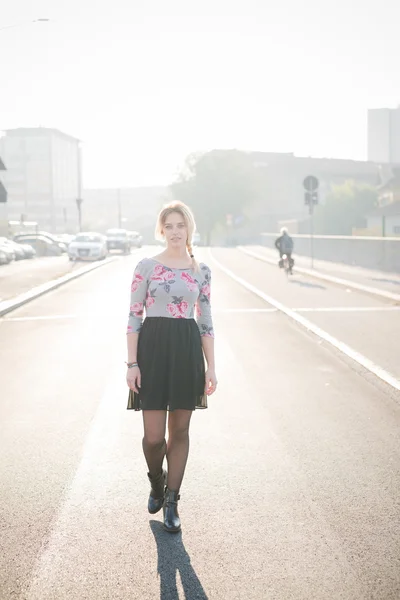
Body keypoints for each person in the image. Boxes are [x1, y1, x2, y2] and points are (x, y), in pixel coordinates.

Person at [125, 201, 217, 533]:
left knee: (179, 431)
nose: (175, 231)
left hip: (186, 350)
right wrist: (132, 363)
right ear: (161, 230)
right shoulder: (146, 267)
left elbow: (205, 322)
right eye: (169, 226)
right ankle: (157, 480)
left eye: (181, 225)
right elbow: (134, 315)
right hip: (152, 349)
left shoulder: (201, 271)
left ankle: (172, 502)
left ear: (189, 228)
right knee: (153, 437)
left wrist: (211, 367)